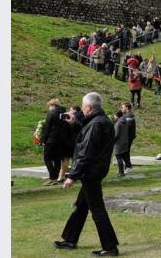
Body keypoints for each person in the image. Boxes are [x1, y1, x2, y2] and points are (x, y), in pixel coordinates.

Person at [53, 92, 119, 256]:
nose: (81, 110)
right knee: (81, 206)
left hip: (91, 172)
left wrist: (71, 176)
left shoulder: (95, 124)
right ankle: (70, 239)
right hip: (96, 170)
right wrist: (75, 123)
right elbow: (88, 138)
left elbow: (85, 152)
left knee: (97, 210)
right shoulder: (103, 121)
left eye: (83, 107)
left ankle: (110, 247)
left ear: (88, 107)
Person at [40, 98, 69, 185]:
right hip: (61, 140)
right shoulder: (64, 114)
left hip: (51, 139)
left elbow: (47, 128)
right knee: (57, 159)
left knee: (47, 158)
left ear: (53, 105)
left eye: (49, 106)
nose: (49, 108)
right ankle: (55, 178)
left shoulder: (52, 113)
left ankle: (52, 177)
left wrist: (43, 140)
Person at [119, 103, 136, 174]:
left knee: (124, 151)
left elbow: (126, 127)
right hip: (128, 136)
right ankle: (128, 166)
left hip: (127, 137)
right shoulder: (127, 115)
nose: (121, 108)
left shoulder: (128, 116)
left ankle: (129, 166)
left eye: (122, 107)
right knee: (125, 151)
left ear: (127, 108)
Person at [113, 110, 130, 177]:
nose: (114, 117)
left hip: (119, 143)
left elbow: (116, 135)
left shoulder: (118, 124)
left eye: (114, 115)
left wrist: (112, 141)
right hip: (125, 141)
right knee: (123, 155)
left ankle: (121, 172)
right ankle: (128, 166)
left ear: (117, 116)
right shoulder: (125, 122)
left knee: (118, 157)